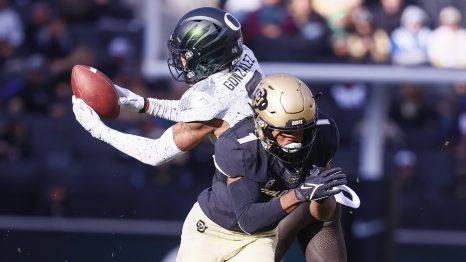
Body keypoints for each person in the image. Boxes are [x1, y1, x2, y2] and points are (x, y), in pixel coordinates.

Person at [72, 7, 356, 261]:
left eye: (187, 56)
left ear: (211, 56)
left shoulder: (230, 130)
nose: (182, 62)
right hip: (286, 189)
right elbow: (198, 112)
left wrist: (99, 131)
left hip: (266, 199)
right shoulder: (244, 56)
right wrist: (138, 103)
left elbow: (156, 152)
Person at [176, 73, 347, 261]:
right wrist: (300, 194)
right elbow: (248, 220)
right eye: (285, 131)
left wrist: (321, 197)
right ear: (261, 125)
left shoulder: (323, 133)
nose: (296, 138)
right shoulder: (240, 145)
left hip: (259, 237)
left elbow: (321, 215)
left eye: (303, 129)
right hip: (210, 231)